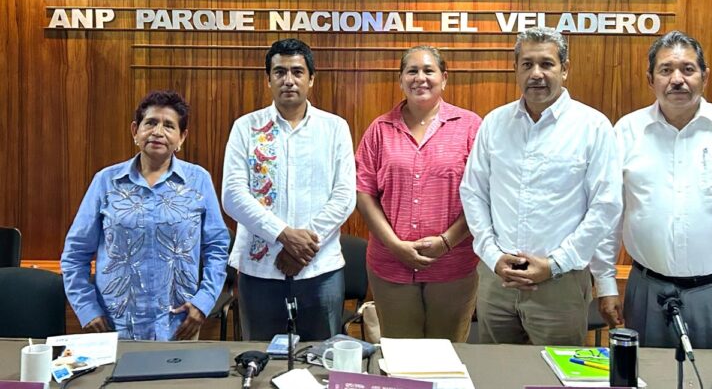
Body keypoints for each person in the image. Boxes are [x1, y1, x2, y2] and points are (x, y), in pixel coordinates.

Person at [593, 30, 712, 349]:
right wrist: (606, 285)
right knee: (648, 373)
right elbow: (608, 216)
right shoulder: (626, 132)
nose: (677, 79)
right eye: (666, 70)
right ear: (650, 79)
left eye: (688, 69)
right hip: (648, 292)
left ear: (705, 76)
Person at [459, 26, 622, 345]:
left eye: (547, 64)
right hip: (498, 280)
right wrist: (492, 255)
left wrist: (555, 264)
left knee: (557, 370)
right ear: (516, 69)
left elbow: (606, 206)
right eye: (527, 64)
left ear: (565, 69)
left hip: (559, 283)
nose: (536, 74)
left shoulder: (592, 126)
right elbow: (473, 192)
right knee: (496, 367)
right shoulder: (494, 123)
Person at [61, 90, 229, 340]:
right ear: (135, 130)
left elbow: (217, 247)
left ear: (182, 137)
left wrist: (203, 302)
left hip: (179, 325)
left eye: (169, 125)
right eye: (150, 123)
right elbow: (75, 254)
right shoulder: (106, 181)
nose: (158, 132)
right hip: (114, 325)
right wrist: (87, 309)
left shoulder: (198, 180)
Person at [222, 38, 355, 341]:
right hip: (260, 271)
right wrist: (283, 235)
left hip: (320, 269)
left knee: (321, 356)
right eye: (280, 72)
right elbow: (233, 195)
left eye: (297, 71)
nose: (289, 80)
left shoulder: (335, 128)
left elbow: (345, 196)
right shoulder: (246, 127)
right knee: (261, 355)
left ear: (311, 79)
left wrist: (302, 248)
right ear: (268, 79)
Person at [356, 46, 481, 341]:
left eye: (428, 70)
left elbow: (483, 195)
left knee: (447, 354)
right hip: (391, 266)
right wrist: (395, 245)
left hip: (453, 265)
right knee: (401, 356)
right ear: (401, 79)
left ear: (444, 78)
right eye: (412, 71)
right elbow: (364, 192)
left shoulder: (470, 126)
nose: (420, 78)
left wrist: (446, 242)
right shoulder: (380, 129)